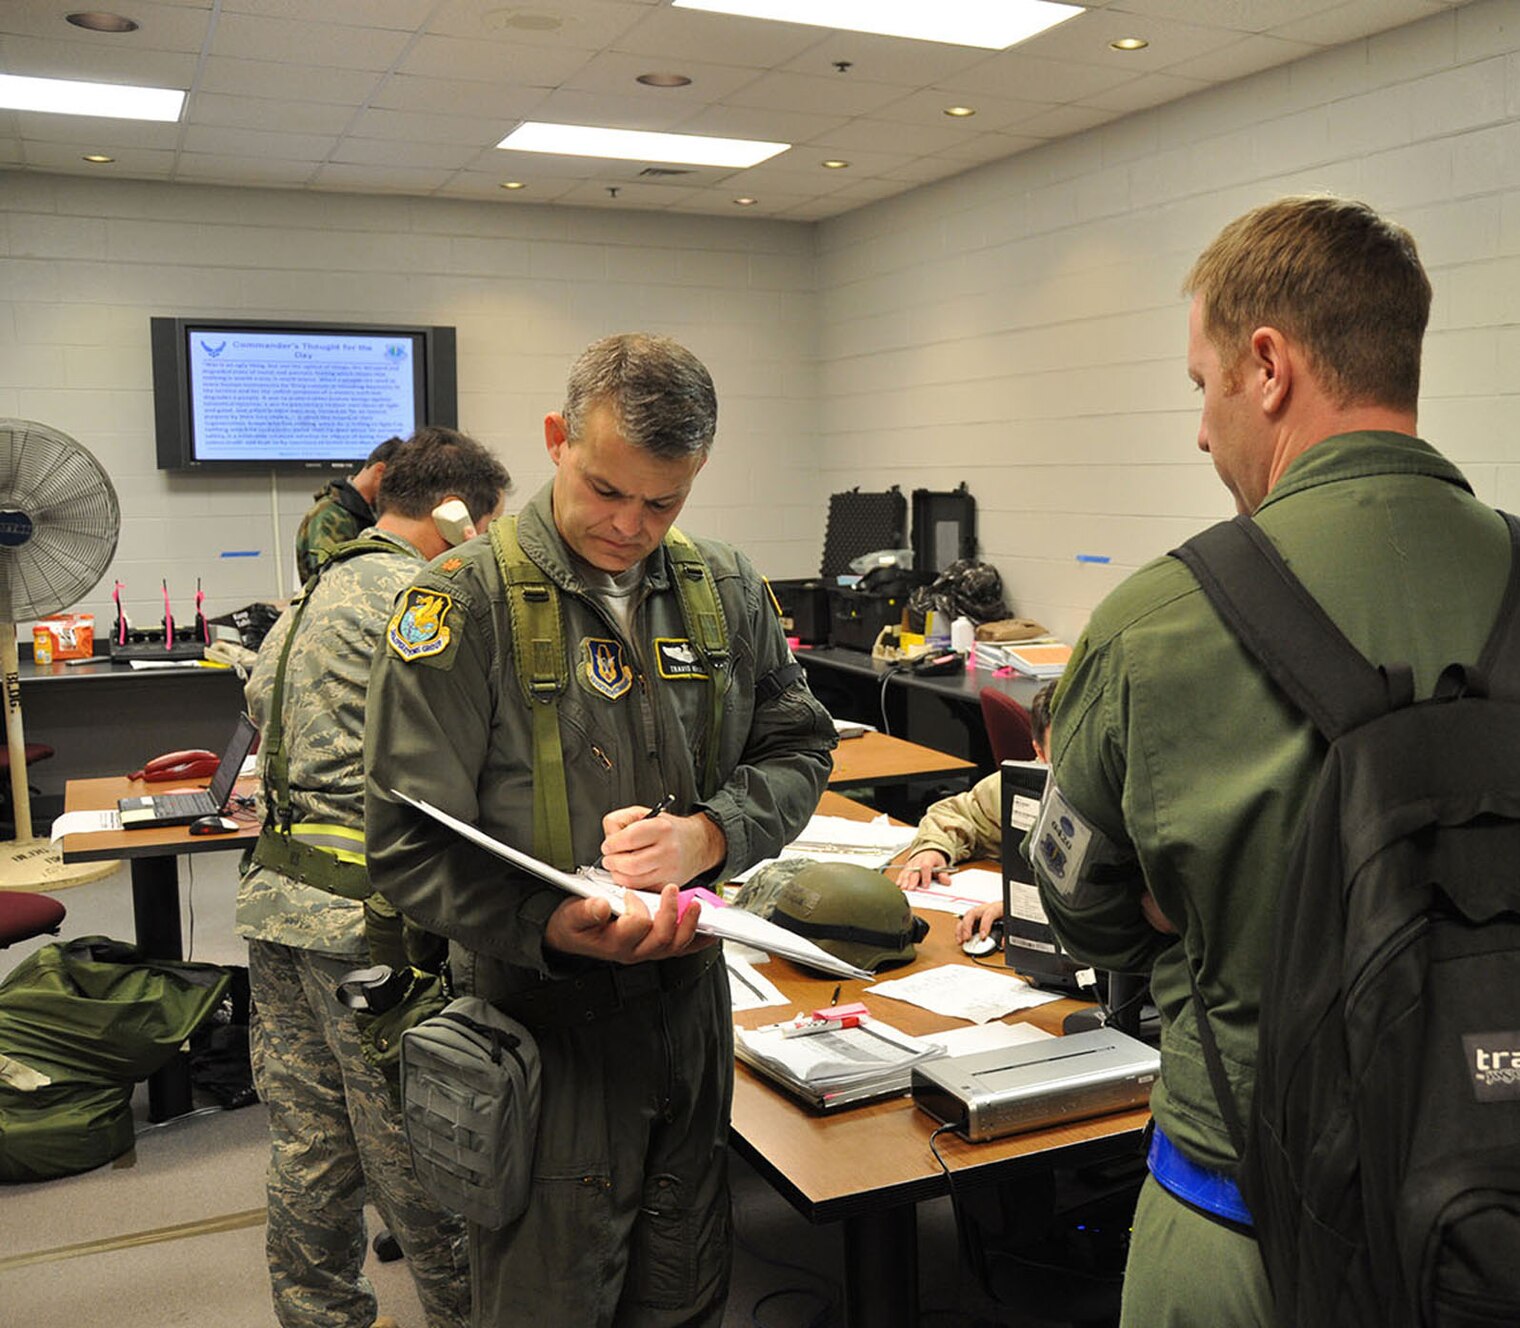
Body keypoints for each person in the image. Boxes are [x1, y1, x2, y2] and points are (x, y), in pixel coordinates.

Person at [1035, 195, 1520, 1326]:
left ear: (1265, 366)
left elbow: (1082, 910)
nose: (1198, 428)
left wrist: (1208, 909)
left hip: (1247, 1229)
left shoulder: (1155, 620)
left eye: (1201, 384)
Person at [363, 332, 837, 1328]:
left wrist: (711, 833)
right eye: (605, 489)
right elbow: (406, 841)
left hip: (688, 1010)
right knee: (546, 1301)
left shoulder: (723, 587)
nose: (628, 525)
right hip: (538, 1027)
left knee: (686, 1291)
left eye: (661, 501)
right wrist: (548, 921)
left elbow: (798, 748)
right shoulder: (460, 607)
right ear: (555, 439)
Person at [242, 425, 511, 1328]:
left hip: (280, 909)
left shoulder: (310, 599)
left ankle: (321, 1319)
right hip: (374, 934)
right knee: (425, 1157)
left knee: (311, 1152)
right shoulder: (423, 600)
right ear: (460, 515)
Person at [894, 682, 1054, 945]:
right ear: (1039, 752)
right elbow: (960, 813)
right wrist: (934, 849)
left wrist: (1031, 907)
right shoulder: (1033, 780)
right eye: (1061, 752)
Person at [297, 436, 403, 582]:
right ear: (380, 471)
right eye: (398, 482)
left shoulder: (370, 512)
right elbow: (328, 581)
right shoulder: (328, 516)